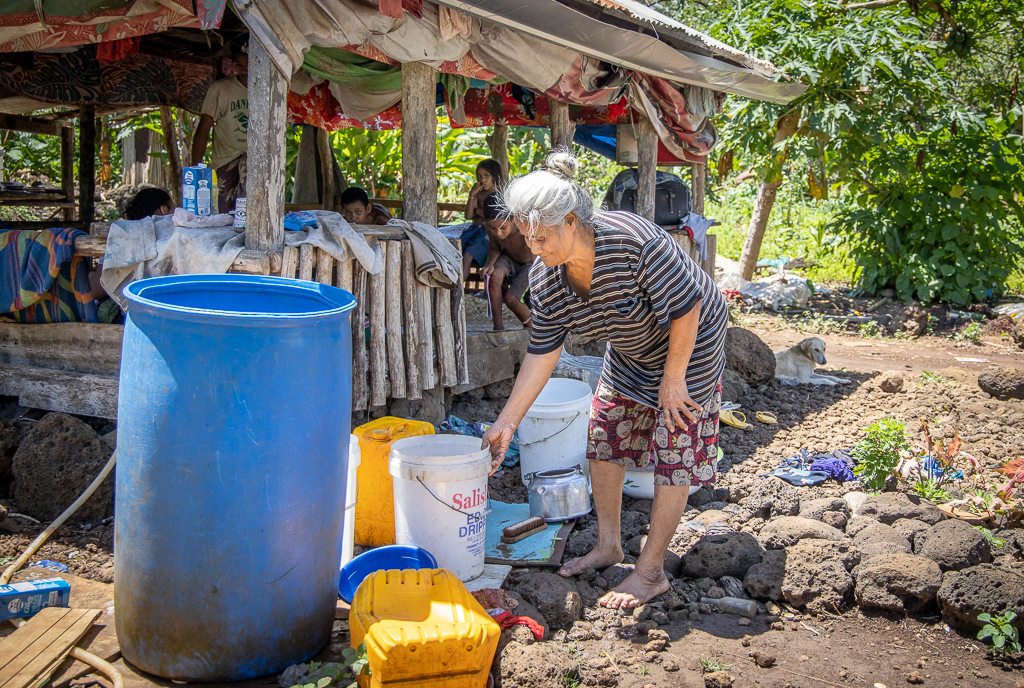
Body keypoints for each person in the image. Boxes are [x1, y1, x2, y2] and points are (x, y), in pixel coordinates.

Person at [481, 151, 729, 609]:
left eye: (543, 237)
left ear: (572, 221)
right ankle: (609, 545)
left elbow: (688, 308)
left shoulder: (634, 241)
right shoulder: (549, 276)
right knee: (605, 435)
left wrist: (673, 381)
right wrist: (507, 424)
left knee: (674, 444)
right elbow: (542, 350)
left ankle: (651, 571)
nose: (534, 248)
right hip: (632, 349)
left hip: (689, 342)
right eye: (527, 238)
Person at [191, 44, 249, 214]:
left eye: (249, 65)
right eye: (239, 65)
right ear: (233, 64)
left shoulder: (269, 89)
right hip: (225, 158)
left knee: (251, 210)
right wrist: (195, 168)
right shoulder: (221, 89)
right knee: (226, 212)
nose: (244, 70)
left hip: (253, 158)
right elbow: (204, 128)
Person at [481, 194, 532, 331]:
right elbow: (494, 248)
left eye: (503, 227)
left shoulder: (524, 227)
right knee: (494, 275)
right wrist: (490, 264)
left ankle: (531, 325)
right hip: (509, 258)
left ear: (513, 219)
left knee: (511, 299)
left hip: (530, 263)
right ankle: (498, 328)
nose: (498, 233)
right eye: (493, 228)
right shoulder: (492, 227)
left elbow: (537, 255)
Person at [460, 158, 504, 281]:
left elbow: (494, 217)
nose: (482, 180)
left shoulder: (499, 194)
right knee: (456, 250)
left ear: (494, 177)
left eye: (486, 176)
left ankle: (458, 287)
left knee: (468, 255)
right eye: (479, 176)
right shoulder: (477, 193)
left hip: (487, 232)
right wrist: (472, 195)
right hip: (474, 228)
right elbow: (468, 216)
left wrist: (478, 211)